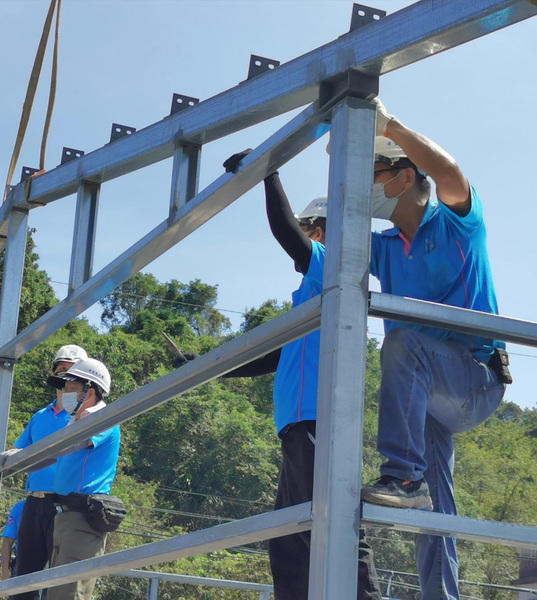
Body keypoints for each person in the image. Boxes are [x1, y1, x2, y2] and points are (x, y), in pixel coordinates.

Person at [181, 153, 383, 600]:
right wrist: (206, 366)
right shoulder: (315, 296)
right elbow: (274, 357)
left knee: (333, 527)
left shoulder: (334, 266)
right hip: (298, 427)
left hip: (316, 422)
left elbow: (284, 233)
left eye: (312, 228)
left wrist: (267, 174)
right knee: (289, 540)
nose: (307, 236)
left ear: (327, 231)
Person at [360, 99, 511, 600]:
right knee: (434, 510)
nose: (364, 186)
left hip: (475, 379)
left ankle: (402, 478)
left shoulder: (456, 223)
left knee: (404, 343)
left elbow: (449, 172)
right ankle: (440, 595)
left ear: (405, 176)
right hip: (427, 399)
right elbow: (314, 251)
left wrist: (390, 126)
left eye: (373, 173)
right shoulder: (383, 247)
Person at [0, 345, 88, 600]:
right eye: (62, 371)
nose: (67, 378)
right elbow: (17, 452)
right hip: (34, 503)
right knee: (24, 575)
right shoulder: (40, 416)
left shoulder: (85, 416)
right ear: (53, 375)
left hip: (64, 504)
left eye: (74, 373)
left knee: (57, 581)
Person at [47, 357, 121, 600]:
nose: (65, 393)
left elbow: (73, 444)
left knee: (69, 594)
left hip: (82, 519)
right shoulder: (75, 421)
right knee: (57, 592)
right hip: (65, 516)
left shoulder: (103, 417)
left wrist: (31, 455)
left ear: (89, 392)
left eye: (71, 388)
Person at [0, 499, 26, 583]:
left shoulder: (56, 507)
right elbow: (7, 541)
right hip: (22, 561)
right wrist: (5, 573)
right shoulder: (20, 507)